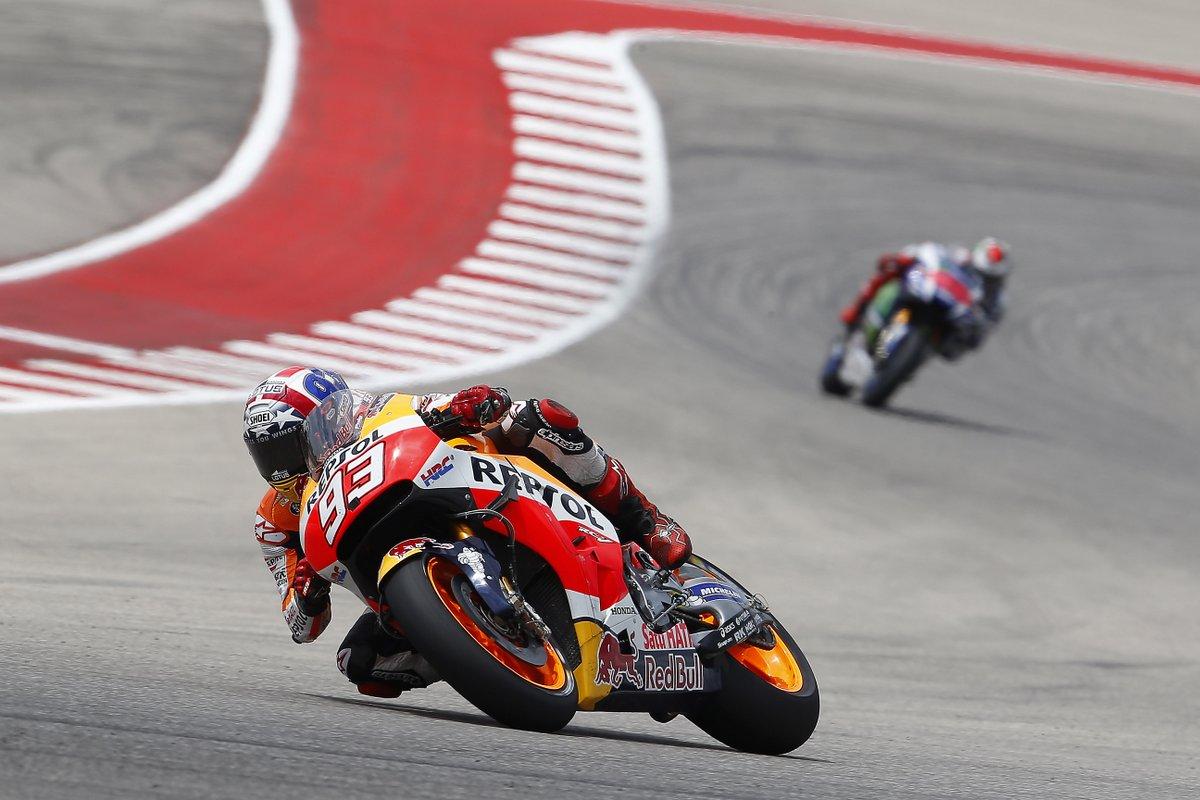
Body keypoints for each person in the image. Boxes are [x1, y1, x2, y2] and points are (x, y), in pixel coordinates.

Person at [243, 367, 692, 698]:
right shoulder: (275, 520)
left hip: (473, 488)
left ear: (327, 420)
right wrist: (307, 596)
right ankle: (489, 652)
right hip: (398, 576)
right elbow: (301, 628)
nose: (282, 469)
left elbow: (459, 406)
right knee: (361, 663)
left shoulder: (381, 412)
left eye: (289, 447)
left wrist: (472, 404)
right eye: (269, 456)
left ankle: (646, 520)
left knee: (536, 417)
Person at [839, 237, 1011, 339]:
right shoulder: (960, 256)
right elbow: (933, 255)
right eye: (980, 273)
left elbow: (981, 334)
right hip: (927, 288)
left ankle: (904, 360)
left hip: (951, 318)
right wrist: (915, 256)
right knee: (896, 265)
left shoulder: (996, 300)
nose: (983, 280)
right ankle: (857, 309)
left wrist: (975, 323)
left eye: (990, 278)